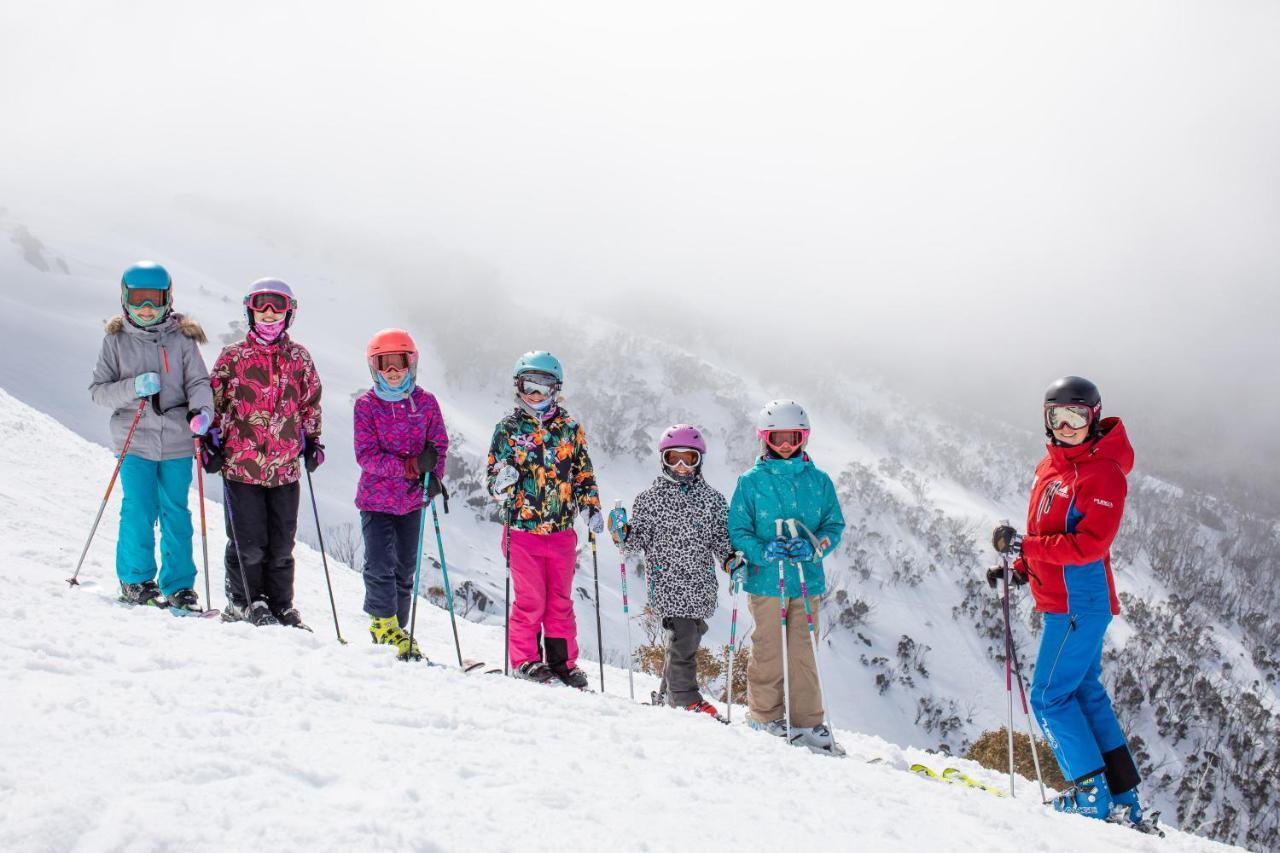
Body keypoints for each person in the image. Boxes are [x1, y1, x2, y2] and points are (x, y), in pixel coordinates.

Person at [989, 376, 1151, 829]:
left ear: (1094, 417)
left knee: (1048, 696)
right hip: (1063, 597)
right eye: (1057, 417)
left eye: (1077, 417)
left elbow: (1088, 546)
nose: (1067, 426)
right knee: (1083, 691)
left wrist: (1024, 548)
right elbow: (1047, 535)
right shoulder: (1053, 466)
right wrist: (1020, 568)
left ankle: (1090, 793)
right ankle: (1123, 797)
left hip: (1078, 602)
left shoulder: (1103, 474)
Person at [90, 261, 214, 611]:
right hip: (135, 437)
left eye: (154, 300)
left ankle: (179, 585)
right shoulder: (115, 341)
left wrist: (202, 413)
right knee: (139, 509)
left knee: (176, 510)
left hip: (176, 438)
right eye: (138, 299)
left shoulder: (183, 340)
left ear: (168, 299)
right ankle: (135, 579)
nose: (146, 308)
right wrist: (134, 387)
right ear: (125, 299)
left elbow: (199, 383)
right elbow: (99, 391)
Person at [728, 400, 845, 755]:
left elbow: (833, 525)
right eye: (777, 437)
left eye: (792, 437)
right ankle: (765, 715)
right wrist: (762, 551)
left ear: (803, 438)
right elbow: (738, 527)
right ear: (765, 438)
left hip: (806, 579)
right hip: (766, 581)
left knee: (803, 652)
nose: (784, 445)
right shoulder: (751, 482)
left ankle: (808, 721)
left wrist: (814, 548)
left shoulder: (818, 481)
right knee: (769, 648)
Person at [206, 278, 323, 628]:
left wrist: (313, 441)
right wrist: (210, 441)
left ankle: (281, 605)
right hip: (242, 466)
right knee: (248, 542)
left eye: (278, 307)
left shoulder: (299, 358)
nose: (269, 314)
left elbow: (310, 402)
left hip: (285, 468)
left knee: (282, 545)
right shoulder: (234, 357)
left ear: (290, 313)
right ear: (250, 311)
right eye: (262, 306)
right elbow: (216, 402)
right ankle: (244, 602)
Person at [485, 351, 602, 688]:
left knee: (560, 603)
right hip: (522, 531)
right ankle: (526, 660)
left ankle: (563, 663)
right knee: (531, 600)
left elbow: (583, 476)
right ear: (517, 387)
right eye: (528, 385)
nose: (534, 394)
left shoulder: (569, 428)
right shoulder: (508, 428)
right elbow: (493, 480)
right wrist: (501, 480)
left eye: (543, 385)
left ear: (556, 388)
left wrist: (590, 506)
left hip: (561, 532)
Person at [609, 424, 734, 720]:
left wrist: (730, 559)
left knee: (687, 636)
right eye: (673, 458)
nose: (680, 466)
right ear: (662, 460)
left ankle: (667, 693)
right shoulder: (650, 499)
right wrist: (621, 533)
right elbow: (634, 541)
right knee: (684, 637)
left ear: (699, 460)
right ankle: (684, 697)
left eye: (688, 458)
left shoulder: (713, 500)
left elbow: (720, 538)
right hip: (668, 583)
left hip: (700, 583)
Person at [353, 329, 448, 661]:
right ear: (374, 367)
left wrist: (433, 475)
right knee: (379, 563)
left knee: (405, 567)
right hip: (376, 501)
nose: (393, 371)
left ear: (412, 363)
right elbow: (367, 456)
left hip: (410, 501)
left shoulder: (425, 403)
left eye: (399, 362)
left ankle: (398, 628)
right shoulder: (367, 405)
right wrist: (410, 467)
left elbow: (438, 445)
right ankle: (382, 623)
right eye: (385, 364)